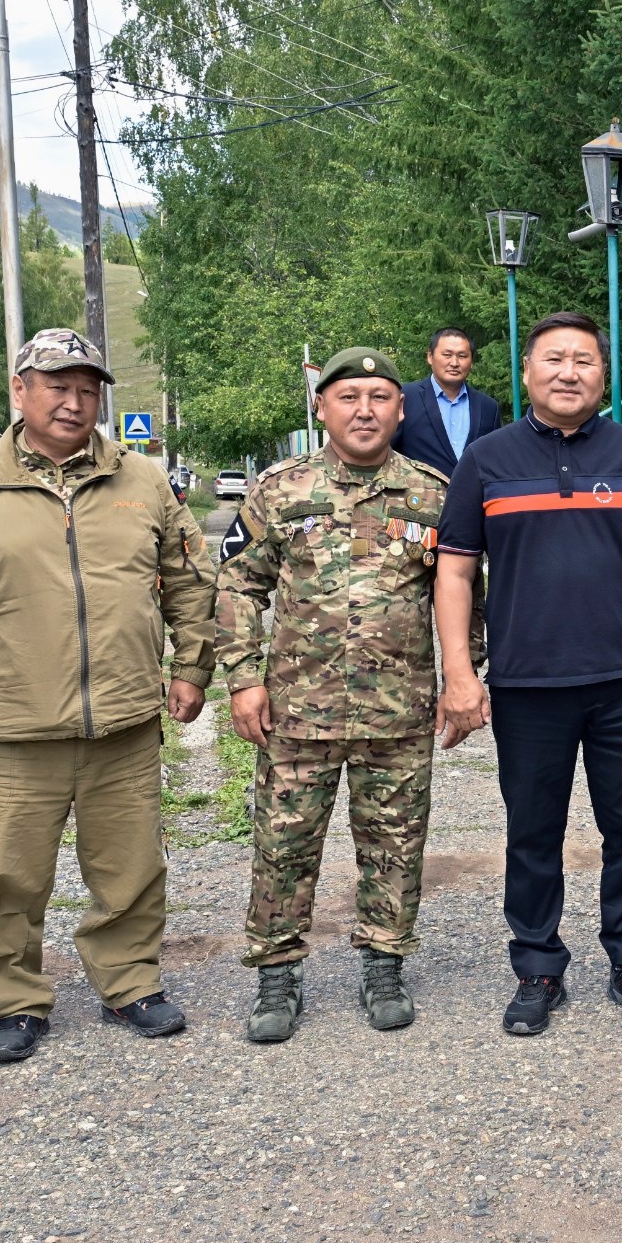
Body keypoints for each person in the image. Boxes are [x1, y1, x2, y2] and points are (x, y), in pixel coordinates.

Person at [0, 328, 217, 1065]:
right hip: (12, 722)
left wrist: (193, 666)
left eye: (87, 389)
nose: (74, 402)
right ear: (20, 391)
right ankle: (12, 1002)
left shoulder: (144, 481)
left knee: (131, 867)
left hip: (125, 719)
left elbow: (192, 581)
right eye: (57, 386)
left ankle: (130, 982)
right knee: (9, 872)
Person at [431, 311, 622, 1036]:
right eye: (553, 359)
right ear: (527, 374)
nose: (568, 372)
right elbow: (455, 572)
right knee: (532, 833)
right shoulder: (486, 461)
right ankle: (537, 967)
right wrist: (460, 673)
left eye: (583, 360)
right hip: (527, 685)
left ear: (602, 375)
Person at [219, 348, 452, 1042]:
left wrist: (464, 675)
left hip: (398, 708)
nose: (365, 410)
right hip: (297, 709)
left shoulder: (432, 493)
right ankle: (276, 975)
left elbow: (463, 590)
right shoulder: (278, 490)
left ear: (400, 409)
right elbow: (237, 585)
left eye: (380, 396)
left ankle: (384, 964)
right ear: (322, 408)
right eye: (349, 397)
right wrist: (243, 678)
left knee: (395, 843)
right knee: (283, 845)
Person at [392, 327, 501, 477]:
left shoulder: (488, 407)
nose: (454, 363)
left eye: (462, 356)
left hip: (473, 498)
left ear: (472, 361)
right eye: (447, 355)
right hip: (418, 496)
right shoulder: (405, 398)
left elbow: (494, 459)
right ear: (430, 356)